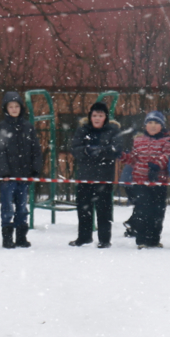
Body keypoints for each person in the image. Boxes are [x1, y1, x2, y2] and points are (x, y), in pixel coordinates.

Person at [0, 91, 43, 248]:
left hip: (24, 175)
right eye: (10, 106)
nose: (14, 109)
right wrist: (4, 172)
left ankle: (21, 236)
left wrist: (35, 169)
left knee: (22, 207)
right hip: (8, 176)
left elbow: (36, 149)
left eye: (16, 106)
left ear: (21, 108)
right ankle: (7, 237)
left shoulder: (28, 127)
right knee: (7, 207)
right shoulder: (2, 127)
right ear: (6, 109)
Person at [69, 101, 120, 248]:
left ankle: (104, 239)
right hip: (85, 177)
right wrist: (86, 151)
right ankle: (84, 237)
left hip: (104, 178)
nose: (97, 118)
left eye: (101, 115)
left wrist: (101, 151)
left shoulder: (113, 131)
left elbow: (116, 150)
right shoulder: (82, 130)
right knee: (84, 208)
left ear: (106, 117)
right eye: (95, 115)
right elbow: (75, 149)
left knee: (104, 210)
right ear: (90, 116)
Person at [127, 111, 170, 248]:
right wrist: (122, 155)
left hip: (159, 182)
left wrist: (157, 165)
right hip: (141, 181)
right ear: (145, 125)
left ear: (162, 126)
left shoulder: (166, 141)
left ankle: (154, 239)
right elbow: (133, 158)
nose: (153, 126)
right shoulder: (138, 141)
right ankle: (141, 239)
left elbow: (167, 155)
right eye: (150, 123)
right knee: (142, 210)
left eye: (156, 123)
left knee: (157, 211)